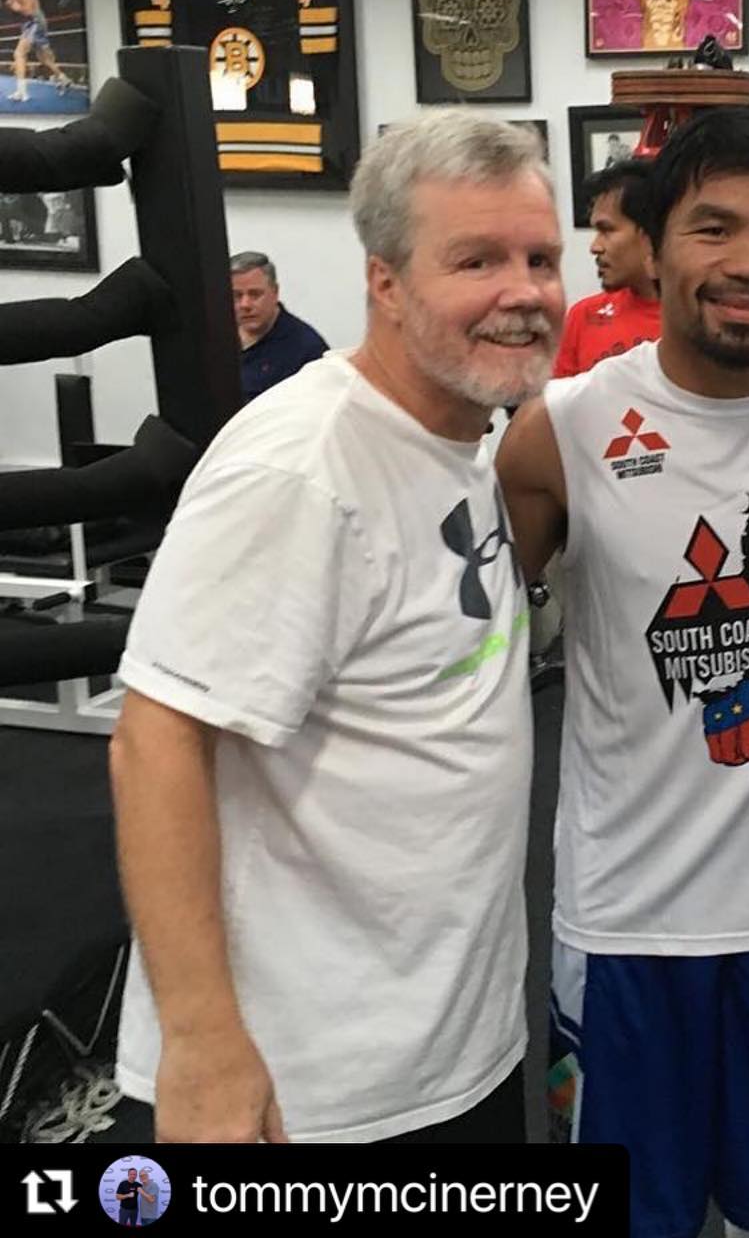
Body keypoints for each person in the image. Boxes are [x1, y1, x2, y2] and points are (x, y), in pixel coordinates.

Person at [108, 112, 564, 1144]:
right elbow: (155, 742)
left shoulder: (456, 437)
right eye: (476, 259)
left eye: (541, 258)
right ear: (387, 284)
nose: (523, 292)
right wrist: (204, 1038)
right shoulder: (299, 469)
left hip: (449, 1054)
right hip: (303, 1095)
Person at [498, 107, 749, 1238]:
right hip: (632, 924)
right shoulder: (565, 429)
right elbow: (465, 645)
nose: (748, 264)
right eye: (712, 228)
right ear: (658, 243)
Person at [553, 160, 659, 380]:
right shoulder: (582, 317)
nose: (595, 247)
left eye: (606, 230)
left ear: (651, 233)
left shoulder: (697, 321)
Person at [229, 251, 329, 403]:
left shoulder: (307, 350)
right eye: (237, 296)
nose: (245, 304)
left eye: (255, 294)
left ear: (275, 292)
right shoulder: (216, 335)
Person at [3, 0, 72, 103]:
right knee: (44, 59)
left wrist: (16, 7)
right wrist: (10, 4)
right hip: (28, 24)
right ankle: (64, 78)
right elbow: (11, 2)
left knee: (19, 53)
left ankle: (22, 92)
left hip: (35, 21)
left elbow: (28, 11)